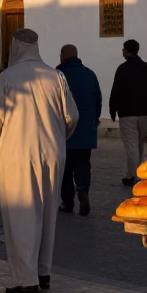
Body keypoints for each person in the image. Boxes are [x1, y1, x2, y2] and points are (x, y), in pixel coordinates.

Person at [0, 29, 78, 293]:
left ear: (15, 47)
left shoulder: (7, 78)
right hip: (52, 153)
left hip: (17, 155)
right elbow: (71, 116)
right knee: (48, 212)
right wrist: (58, 138)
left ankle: (25, 280)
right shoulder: (56, 76)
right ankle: (43, 272)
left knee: (21, 215)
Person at [108, 39, 147, 186]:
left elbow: (116, 91)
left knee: (131, 144)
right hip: (145, 112)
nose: (122, 52)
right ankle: (135, 172)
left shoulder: (122, 69)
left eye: (123, 49)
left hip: (127, 113)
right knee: (139, 144)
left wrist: (112, 110)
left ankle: (132, 174)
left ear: (127, 51)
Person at [57, 44, 102, 216]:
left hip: (63, 132)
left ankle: (67, 202)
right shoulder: (90, 74)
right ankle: (83, 190)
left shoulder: (57, 75)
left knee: (65, 168)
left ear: (62, 57)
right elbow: (98, 100)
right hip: (85, 131)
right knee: (83, 165)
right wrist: (93, 120)